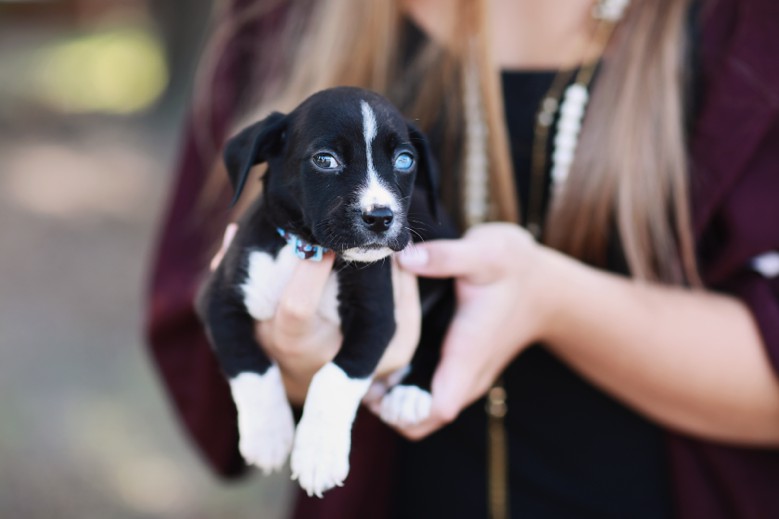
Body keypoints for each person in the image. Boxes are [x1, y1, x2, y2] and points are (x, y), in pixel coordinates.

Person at [145, 0, 779, 517]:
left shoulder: (746, 31)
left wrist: (552, 300)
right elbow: (192, 332)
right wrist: (290, 363)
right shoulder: (285, 19)